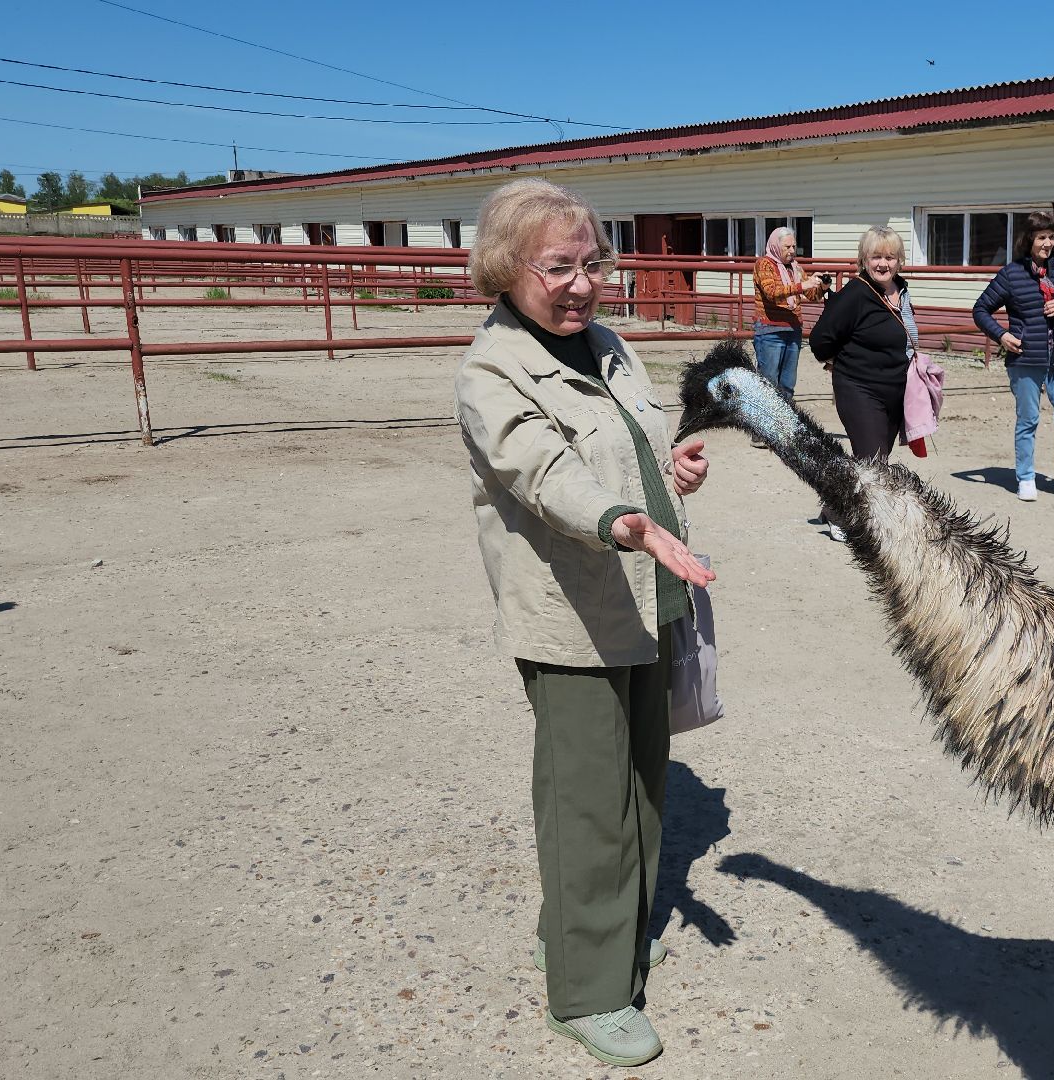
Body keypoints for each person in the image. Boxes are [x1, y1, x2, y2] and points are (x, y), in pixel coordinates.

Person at [454, 179, 715, 1068]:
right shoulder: (493, 370)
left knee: (641, 789)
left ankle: (591, 936)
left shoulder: (607, 346)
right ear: (506, 268)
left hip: (643, 597)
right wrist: (620, 521)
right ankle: (587, 990)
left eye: (591, 264)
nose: (581, 285)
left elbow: (621, 450)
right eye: (557, 268)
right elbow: (543, 472)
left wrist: (665, 474)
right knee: (587, 805)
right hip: (573, 613)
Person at [811, 226, 921, 537]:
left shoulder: (901, 290)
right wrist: (839, 361)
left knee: (875, 460)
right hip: (859, 387)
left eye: (890, 257)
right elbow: (821, 340)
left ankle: (835, 504)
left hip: (894, 388)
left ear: (899, 260)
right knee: (872, 460)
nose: (883, 263)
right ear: (864, 259)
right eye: (876, 257)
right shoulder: (856, 294)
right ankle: (849, 520)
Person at [972, 210, 1054, 502]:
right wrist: (1002, 335)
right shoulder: (1011, 274)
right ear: (1029, 240)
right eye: (1041, 238)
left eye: (1051, 237)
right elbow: (980, 310)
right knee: (1028, 419)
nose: (1047, 244)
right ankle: (1025, 476)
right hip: (1025, 359)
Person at [751, 226, 827, 407]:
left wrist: (821, 287)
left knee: (787, 384)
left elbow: (813, 297)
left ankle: (783, 425)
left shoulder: (795, 268)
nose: (792, 251)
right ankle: (763, 428)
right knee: (768, 382)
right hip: (770, 329)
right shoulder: (764, 264)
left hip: (793, 329)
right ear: (776, 246)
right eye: (787, 247)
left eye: (794, 246)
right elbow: (772, 293)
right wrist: (802, 286)